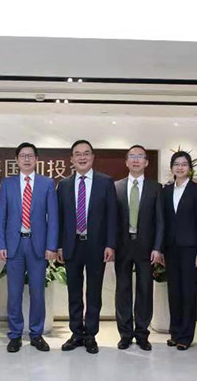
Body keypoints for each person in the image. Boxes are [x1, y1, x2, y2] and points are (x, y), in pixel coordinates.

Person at [0, 142, 58, 353]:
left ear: (36, 159)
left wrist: (51, 245)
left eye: (30, 155)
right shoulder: (8, 184)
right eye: (23, 156)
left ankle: (36, 334)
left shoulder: (47, 183)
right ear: (17, 160)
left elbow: (53, 218)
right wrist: (1, 244)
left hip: (37, 246)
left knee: (37, 292)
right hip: (14, 245)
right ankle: (15, 335)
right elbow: (1, 216)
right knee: (14, 293)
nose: (27, 159)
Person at [57, 140, 117, 354]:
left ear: (92, 157)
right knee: (74, 292)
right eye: (77, 154)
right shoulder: (64, 185)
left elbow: (112, 216)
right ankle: (76, 333)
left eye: (86, 153)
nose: (82, 157)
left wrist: (110, 244)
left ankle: (90, 334)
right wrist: (59, 245)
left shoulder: (105, 182)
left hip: (97, 246)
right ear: (71, 159)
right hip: (72, 245)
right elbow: (59, 218)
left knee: (94, 292)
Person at [114, 145, 164, 351]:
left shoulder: (156, 188)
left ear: (146, 162)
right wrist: (110, 245)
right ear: (126, 162)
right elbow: (111, 220)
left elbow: (160, 221)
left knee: (145, 290)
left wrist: (157, 247)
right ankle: (125, 334)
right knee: (123, 290)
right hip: (122, 246)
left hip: (146, 247)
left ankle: (142, 334)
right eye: (132, 156)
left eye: (140, 156)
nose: (136, 160)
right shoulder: (116, 187)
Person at [162, 151, 197, 351]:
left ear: (190, 168)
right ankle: (175, 332)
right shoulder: (166, 190)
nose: (180, 167)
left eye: (184, 164)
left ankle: (186, 336)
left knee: (188, 292)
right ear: (171, 167)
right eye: (176, 164)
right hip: (171, 249)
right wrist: (161, 249)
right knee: (174, 292)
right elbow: (162, 221)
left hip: (191, 249)